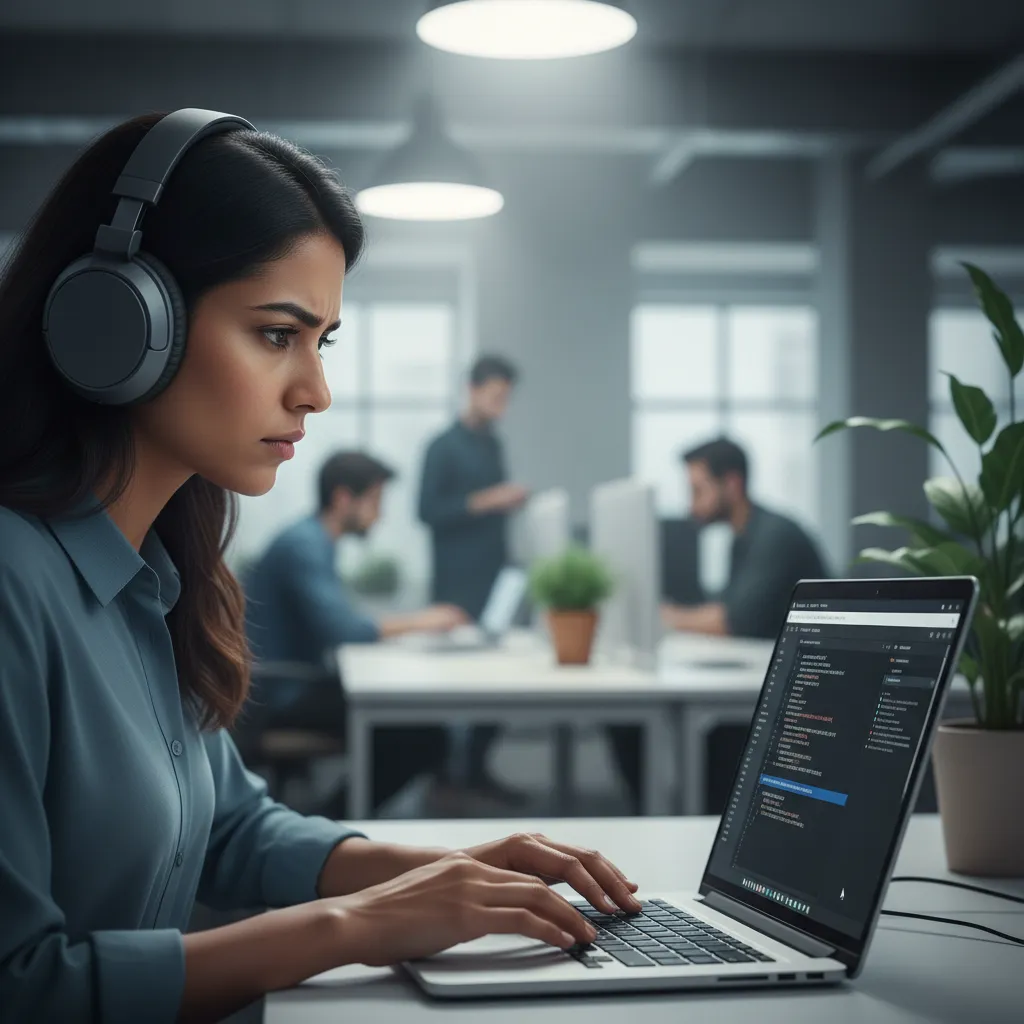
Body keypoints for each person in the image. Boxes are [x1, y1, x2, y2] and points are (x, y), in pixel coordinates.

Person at [0, 110, 640, 1024]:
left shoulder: (158, 576)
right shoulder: (14, 585)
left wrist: (451, 873)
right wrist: (359, 925)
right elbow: (22, 986)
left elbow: (233, 829)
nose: (316, 392)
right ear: (119, 322)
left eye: (322, 341)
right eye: (276, 334)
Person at [244, 449, 468, 809]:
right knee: (426, 736)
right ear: (343, 498)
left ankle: (332, 819)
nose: (380, 514)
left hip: (290, 683)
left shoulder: (311, 539)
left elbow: (338, 621)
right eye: (375, 501)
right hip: (283, 693)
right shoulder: (304, 545)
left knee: (413, 723)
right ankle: (331, 823)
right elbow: (343, 629)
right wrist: (422, 621)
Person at [418, 355, 529, 799]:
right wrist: (489, 499)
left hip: (492, 581)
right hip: (455, 583)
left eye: (507, 398)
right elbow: (427, 511)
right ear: (472, 389)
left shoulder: (492, 445)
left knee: (497, 681)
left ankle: (475, 772)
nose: (502, 406)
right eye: (497, 396)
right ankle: (447, 777)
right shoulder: (442, 446)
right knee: (452, 683)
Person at [661, 437, 829, 640]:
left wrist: (665, 617)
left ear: (732, 484)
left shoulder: (775, 536)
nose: (691, 506)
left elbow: (732, 622)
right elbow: (728, 607)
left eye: (698, 491)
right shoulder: (742, 537)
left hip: (809, 654)